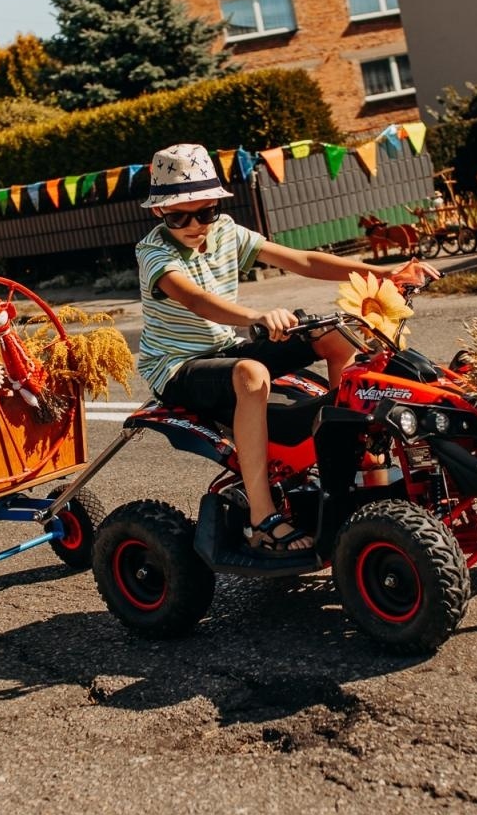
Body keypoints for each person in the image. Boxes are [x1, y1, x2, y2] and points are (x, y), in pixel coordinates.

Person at [134, 143, 438, 555]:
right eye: (178, 216)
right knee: (251, 374)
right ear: (158, 212)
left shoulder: (225, 232)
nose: (194, 225)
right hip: (177, 367)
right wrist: (257, 316)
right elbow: (193, 299)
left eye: (204, 213)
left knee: (338, 334)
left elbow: (304, 261)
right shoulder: (154, 252)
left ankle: (350, 459)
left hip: (227, 347)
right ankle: (263, 517)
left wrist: (385, 272)